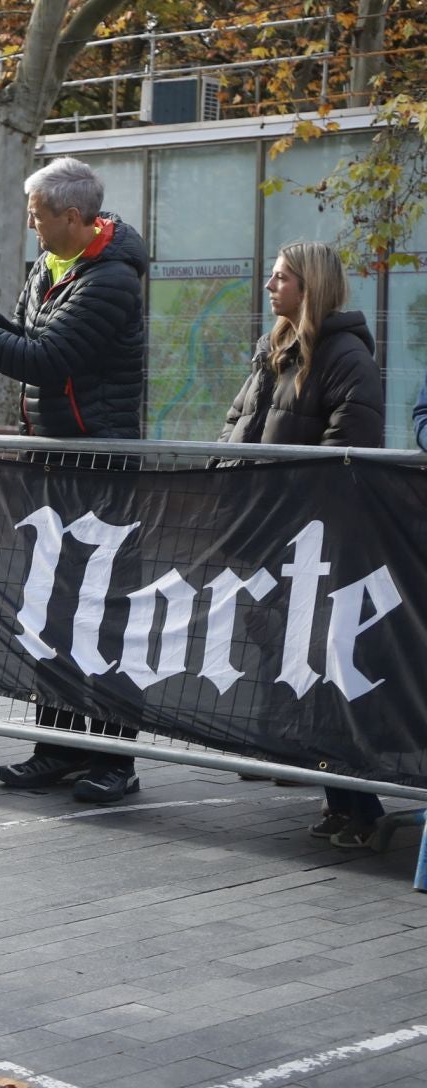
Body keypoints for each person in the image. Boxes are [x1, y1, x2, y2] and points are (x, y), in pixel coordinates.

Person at [0, 155, 149, 805]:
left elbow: (48, 361)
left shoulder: (112, 280)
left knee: (102, 611)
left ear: (73, 217)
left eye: (37, 215)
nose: (30, 225)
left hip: (101, 469)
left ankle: (115, 756)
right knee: (50, 606)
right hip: (54, 464)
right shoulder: (53, 265)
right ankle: (58, 745)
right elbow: (28, 338)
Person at [221, 242, 385, 848]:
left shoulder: (346, 358)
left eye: (281, 277)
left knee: (326, 670)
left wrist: (288, 504)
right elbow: (237, 422)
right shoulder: (275, 350)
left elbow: (349, 446)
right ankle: (337, 797)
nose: (270, 285)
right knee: (295, 665)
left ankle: (361, 806)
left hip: (318, 544)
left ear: (309, 286)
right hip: (271, 534)